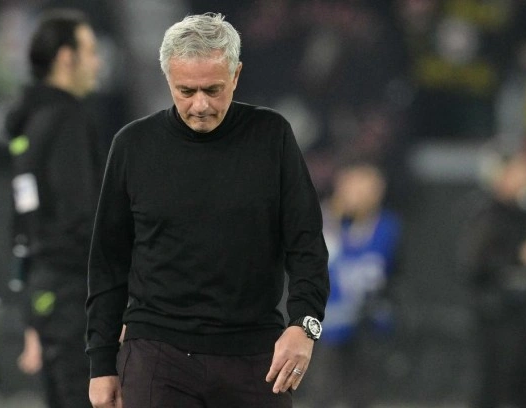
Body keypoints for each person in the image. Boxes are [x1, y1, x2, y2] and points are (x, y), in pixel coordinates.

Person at [85, 12, 330, 408]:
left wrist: (304, 325)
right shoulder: (132, 145)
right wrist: (100, 365)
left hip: (256, 356)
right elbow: (108, 264)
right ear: (167, 78)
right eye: (186, 91)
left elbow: (307, 245)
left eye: (213, 89)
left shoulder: (272, 137)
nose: (200, 104)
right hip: (156, 353)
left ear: (236, 75)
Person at [4, 9, 104, 408]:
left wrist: (31, 307)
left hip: (45, 292)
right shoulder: (67, 118)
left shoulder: (32, 121)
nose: (97, 63)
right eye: (90, 51)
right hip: (74, 297)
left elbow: (23, 223)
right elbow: (79, 214)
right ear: (66, 58)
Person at [296, 162, 401, 408]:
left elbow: (392, 272)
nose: (360, 195)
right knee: (323, 389)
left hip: (367, 321)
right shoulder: (321, 222)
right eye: (354, 187)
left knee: (362, 390)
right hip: (326, 321)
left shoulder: (387, 227)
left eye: (368, 189)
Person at [460, 150, 526, 408]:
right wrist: (520, 256)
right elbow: (474, 263)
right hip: (496, 317)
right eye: (519, 171)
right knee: (493, 386)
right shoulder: (487, 214)